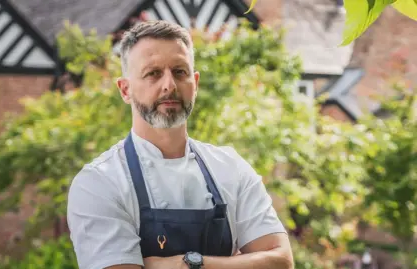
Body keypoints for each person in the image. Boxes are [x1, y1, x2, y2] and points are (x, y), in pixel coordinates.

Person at [67, 20, 294, 269]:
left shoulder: (231, 168)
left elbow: (281, 262)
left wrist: (185, 264)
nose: (169, 85)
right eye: (153, 73)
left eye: (180, 72)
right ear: (125, 89)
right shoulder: (99, 182)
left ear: (194, 83)